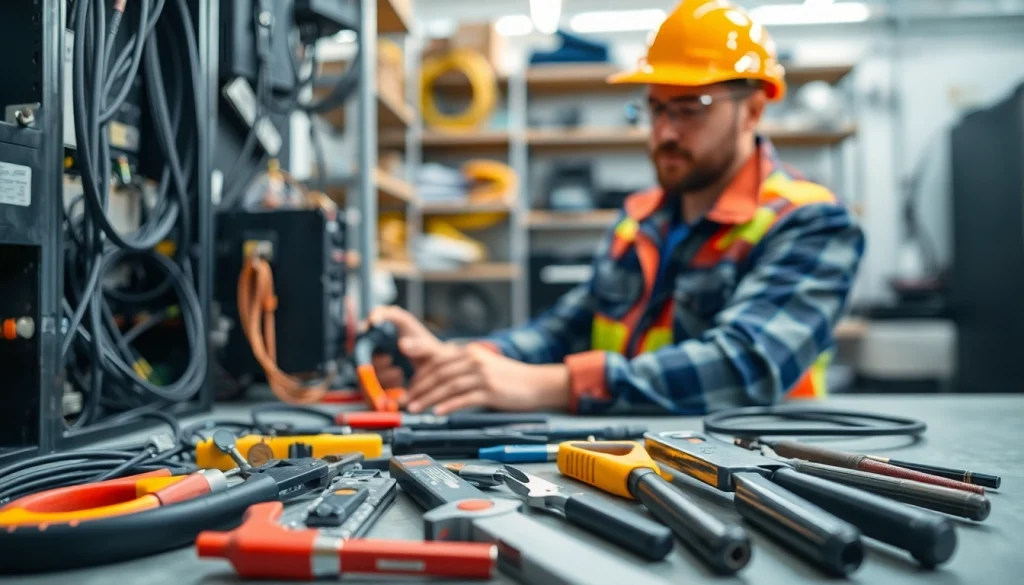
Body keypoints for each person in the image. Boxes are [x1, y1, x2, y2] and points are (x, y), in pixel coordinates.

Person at [370, 0, 865, 416]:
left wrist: (553, 385)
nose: (665, 132)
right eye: (655, 108)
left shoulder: (810, 222)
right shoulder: (640, 217)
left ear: (753, 110)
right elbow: (567, 327)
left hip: (763, 477)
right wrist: (466, 360)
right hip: (632, 454)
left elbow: (745, 366)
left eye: (689, 109)